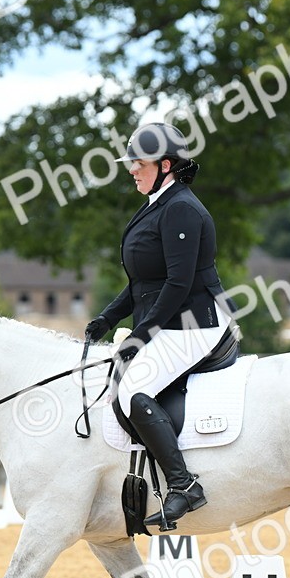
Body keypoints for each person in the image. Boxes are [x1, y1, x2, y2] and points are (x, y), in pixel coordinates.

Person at [85, 122, 237, 531]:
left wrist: (139, 335)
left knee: (135, 390)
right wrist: (110, 316)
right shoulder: (159, 203)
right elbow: (142, 283)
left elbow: (178, 283)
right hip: (169, 321)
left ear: (166, 164)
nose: (132, 169)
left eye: (139, 162)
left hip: (194, 324)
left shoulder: (182, 208)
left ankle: (184, 485)